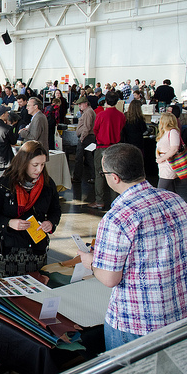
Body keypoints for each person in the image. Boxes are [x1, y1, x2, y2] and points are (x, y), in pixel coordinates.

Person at [78, 143, 187, 350]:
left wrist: (91, 262)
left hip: (136, 321)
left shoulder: (118, 217)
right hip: (178, 312)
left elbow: (110, 278)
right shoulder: (176, 200)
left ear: (114, 177)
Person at [0, 140, 61, 277]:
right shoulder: (4, 184)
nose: (39, 170)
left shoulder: (48, 185)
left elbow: (55, 210)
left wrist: (50, 222)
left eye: (42, 164)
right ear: (23, 163)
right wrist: (9, 222)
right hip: (8, 249)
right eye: (35, 165)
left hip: (36, 249)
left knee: (35, 291)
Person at [89, 91, 126, 210]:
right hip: (115, 147)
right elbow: (121, 129)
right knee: (114, 174)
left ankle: (99, 201)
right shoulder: (121, 115)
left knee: (99, 174)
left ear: (105, 101)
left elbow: (95, 129)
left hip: (101, 146)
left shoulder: (101, 115)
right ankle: (115, 201)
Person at [155, 112, 181, 192]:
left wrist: (161, 158)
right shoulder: (165, 132)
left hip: (168, 164)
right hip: (163, 164)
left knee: (160, 190)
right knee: (170, 190)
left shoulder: (173, 132)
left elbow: (174, 149)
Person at [72, 96, 96, 184]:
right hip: (88, 137)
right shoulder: (89, 111)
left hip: (86, 138)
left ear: (86, 104)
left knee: (79, 157)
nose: (79, 106)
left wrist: (82, 138)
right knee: (89, 157)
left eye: (80, 104)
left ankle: (77, 177)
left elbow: (87, 127)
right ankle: (93, 177)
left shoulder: (88, 112)